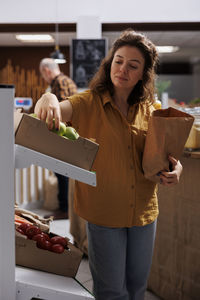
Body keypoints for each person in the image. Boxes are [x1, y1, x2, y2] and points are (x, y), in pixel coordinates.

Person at [35, 30, 183, 300]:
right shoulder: (87, 102)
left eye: (133, 65)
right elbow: (52, 109)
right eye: (118, 60)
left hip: (144, 214)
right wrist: (48, 98)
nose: (123, 69)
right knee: (111, 291)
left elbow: (168, 156)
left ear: (143, 74)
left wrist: (176, 169)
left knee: (138, 289)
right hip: (103, 214)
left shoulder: (151, 110)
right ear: (109, 63)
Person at [39, 58, 77, 220]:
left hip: (63, 136)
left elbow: (59, 112)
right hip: (70, 134)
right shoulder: (67, 80)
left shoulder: (58, 82)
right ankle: (66, 208)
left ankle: (64, 209)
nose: (44, 78)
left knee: (62, 172)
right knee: (64, 172)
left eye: (43, 74)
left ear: (47, 71)